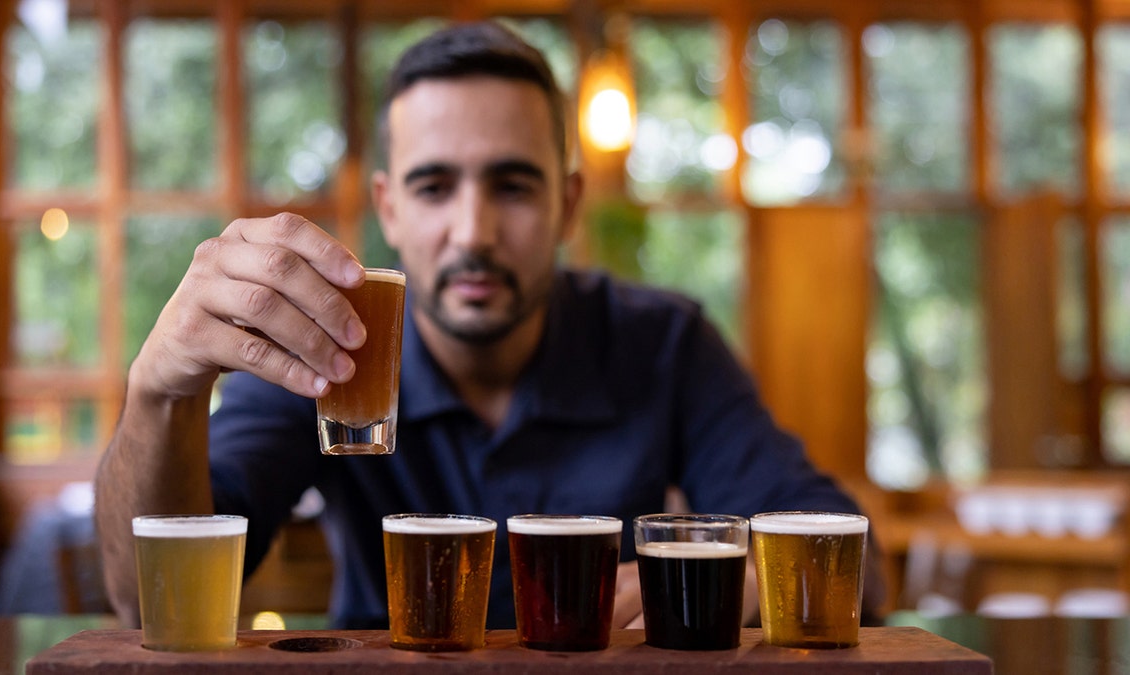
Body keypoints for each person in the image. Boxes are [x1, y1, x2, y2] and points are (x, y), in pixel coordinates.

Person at [95, 20, 885, 631]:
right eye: (434, 187)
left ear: (567, 206)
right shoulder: (333, 347)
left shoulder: (662, 342)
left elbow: (856, 563)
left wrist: (735, 582)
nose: (472, 230)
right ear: (389, 209)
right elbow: (143, 600)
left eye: (511, 186)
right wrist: (160, 390)